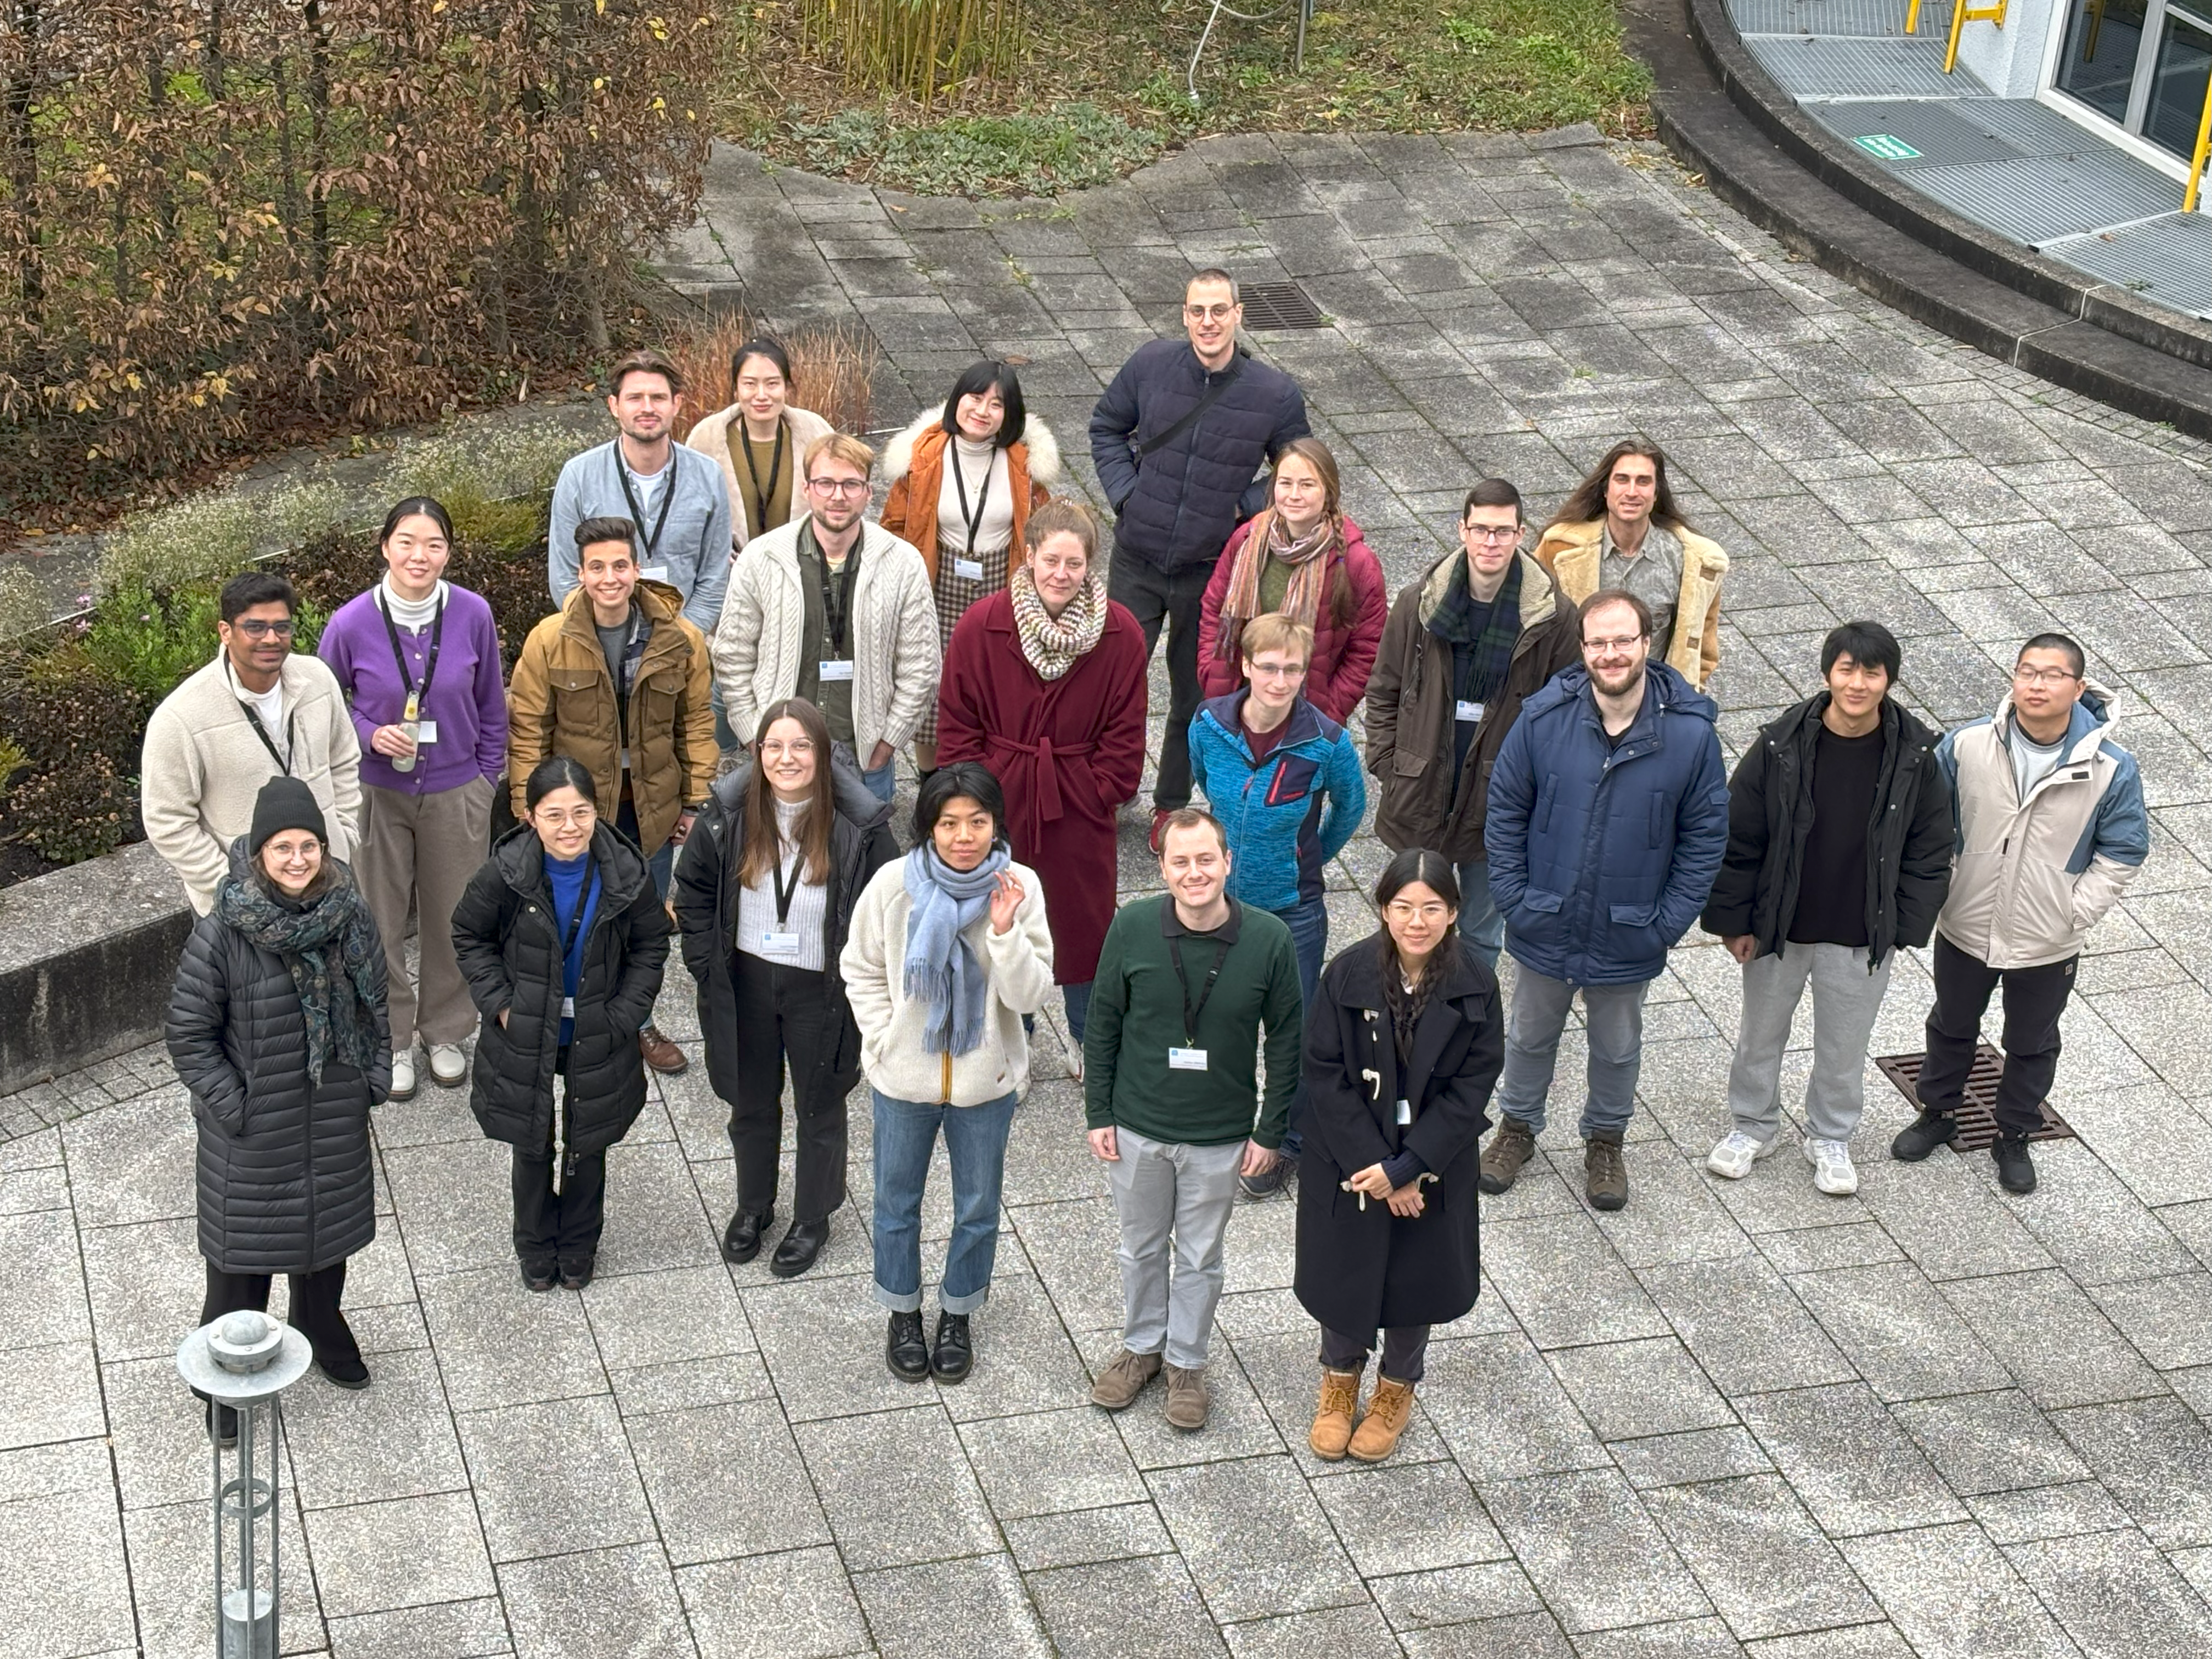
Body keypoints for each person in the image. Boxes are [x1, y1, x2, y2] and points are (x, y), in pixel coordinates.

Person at [1477, 590, 1729, 1214]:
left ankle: (1606, 1141)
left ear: (1647, 643)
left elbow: (1705, 839)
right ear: (1583, 649)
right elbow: (1506, 810)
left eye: (1623, 640)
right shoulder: (1541, 719)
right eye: (1598, 642)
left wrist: (1666, 925)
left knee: (1617, 1047)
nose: (1610, 654)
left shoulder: (1691, 736)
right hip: (1545, 918)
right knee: (1530, 1038)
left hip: (1631, 928)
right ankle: (1517, 1128)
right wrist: (1514, 898)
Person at [167, 777, 391, 1437]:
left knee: (327, 1244)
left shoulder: (350, 914)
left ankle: (319, 1325)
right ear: (258, 852)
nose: (299, 859)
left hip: (332, 1116)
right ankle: (224, 1376)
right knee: (241, 1268)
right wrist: (235, 1108)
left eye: (310, 845)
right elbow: (188, 1033)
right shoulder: (224, 931)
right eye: (283, 847)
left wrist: (372, 1079)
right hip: (254, 1131)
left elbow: (377, 1003)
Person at [1700, 622, 1953, 1196]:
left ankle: (1830, 1136)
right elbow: (1739, 839)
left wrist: (1905, 928)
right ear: (1826, 674)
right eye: (1847, 669)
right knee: (1759, 1036)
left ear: (1889, 680)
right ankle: (1752, 1126)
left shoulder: (1915, 759)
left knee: (1844, 1046)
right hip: (1778, 927)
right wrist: (1735, 921)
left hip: (1862, 933)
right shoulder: (1778, 746)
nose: (1858, 683)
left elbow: (1931, 848)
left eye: (1871, 672)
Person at [1892, 633, 2148, 1195]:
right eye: (2027, 671)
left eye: (2053, 675)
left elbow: (2124, 850)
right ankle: (1938, 1114)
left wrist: (2075, 913)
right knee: (1951, 1025)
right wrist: (1941, 887)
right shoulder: (1968, 744)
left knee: (2032, 1042)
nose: (2037, 684)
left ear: (2079, 688)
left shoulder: (2111, 767)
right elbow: (1925, 820)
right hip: (1965, 921)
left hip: (2047, 937)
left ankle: (2014, 1134)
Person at [1084, 809, 1302, 1431]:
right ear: (1162, 869)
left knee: (1202, 1256)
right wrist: (1099, 1111)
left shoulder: (1268, 940)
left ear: (1228, 862)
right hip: (1136, 1127)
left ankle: (1187, 1364)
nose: (1194, 872)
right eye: (1180, 862)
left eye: (1206, 859)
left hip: (1220, 1134)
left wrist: (1270, 1130)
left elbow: (1287, 1040)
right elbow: (1102, 1023)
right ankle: (1141, 1351)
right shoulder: (1130, 927)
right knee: (1140, 1248)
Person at [841, 765, 1054, 1384]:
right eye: (950, 823)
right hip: (903, 1080)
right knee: (895, 1202)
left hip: (984, 1083)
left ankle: (958, 1311)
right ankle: (902, 1311)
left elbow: (1029, 995)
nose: (965, 837)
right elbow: (860, 967)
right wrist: (882, 1040)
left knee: (978, 1206)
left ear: (996, 824)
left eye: (978, 823)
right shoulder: (893, 885)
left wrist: (1006, 930)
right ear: (928, 827)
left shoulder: (1021, 886)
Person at [673, 698, 897, 1280]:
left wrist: (866, 986)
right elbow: (693, 889)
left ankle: (812, 1218)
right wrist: (705, 963)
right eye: (774, 746)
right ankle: (754, 1206)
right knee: (750, 1100)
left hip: (821, 985)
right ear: (757, 752)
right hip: (744, 978)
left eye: (801, 746)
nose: (786, 757)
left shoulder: (861, 825)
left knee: (820, 1102)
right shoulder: (728, 813)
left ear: (823, 755)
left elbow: (889, 909)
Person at [1090, 269, 1311, 848]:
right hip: (1136, 557)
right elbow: (1106, 426)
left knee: (1192, 693)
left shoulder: (1274, 394)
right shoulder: (1150, 365)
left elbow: (1297, 471)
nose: (1207, 322)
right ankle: (1110, 789)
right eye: (1196, 311)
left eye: (1219, 310)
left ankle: (1169, 803)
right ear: (1184, 316)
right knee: (1113, 679)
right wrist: (1127, 496)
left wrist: (1238, 509)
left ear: (1239, 314)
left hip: (1209, 570)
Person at [1296, 852, 1500, 1464]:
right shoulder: (1348, 974)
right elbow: (1325, 1075)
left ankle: (1396, 1389)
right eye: (1404, 907)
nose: (1417, 922)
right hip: (1352, 1163)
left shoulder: (1477, 983)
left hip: (1430, 1167)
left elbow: (1472, 1089)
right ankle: (1339, 1380)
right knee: (1344, 1274)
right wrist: (1382, 1171)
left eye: (1432, 908)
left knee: (1416, 1283)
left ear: (1454, 912)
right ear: (1384, 909)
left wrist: (1408, 1169)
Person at [935, 498, 1148, 1066]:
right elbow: (957, 727)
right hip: (999, 808)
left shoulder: (1121, 634)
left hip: (1077, 807)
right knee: (1003, 924)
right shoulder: (981, 625)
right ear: (1028, 557)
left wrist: (1096, 791)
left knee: (1084, 927)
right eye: (1051, 560)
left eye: (1074, 564)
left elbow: (1127, 739)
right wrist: (976, 806)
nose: (1061, 574)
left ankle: (1087, 1036)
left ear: (1090, 567)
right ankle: (1015, 1039)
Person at [450, 756, 672, 1292]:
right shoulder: (505, 873)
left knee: (587, 1143)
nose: (569, 827)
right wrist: (501, 1004)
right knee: (531, 1142)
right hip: (527, 1029)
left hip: (600, 1028)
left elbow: (650, 944)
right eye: (554, 815)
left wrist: (626, 1013)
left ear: (597, 812)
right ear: (529, 817)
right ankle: (533, 1243)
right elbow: (469, 935)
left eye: (581, 812)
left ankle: (578, 1245)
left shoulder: (625, 870)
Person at [317, 497, 509, 1101]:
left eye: (433, 544)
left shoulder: (473, 613)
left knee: (454, 915)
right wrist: (369, 734)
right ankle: (392, 1037)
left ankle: (446, 1030)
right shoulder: (350, 623)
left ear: (449, 552)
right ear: (384, 546)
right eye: (406, 541)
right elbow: (323, 705)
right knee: (378, 916)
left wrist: (485, 780)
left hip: (457, 790)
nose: (419, 556)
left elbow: (490, 704)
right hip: (377, 792)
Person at [507, 516, 713, 1075]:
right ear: (580, 573)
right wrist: (530, 806)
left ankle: (638, 1021)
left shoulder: (679, 638)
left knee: (643, 920)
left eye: (619, 565)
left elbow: (695, 721)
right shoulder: (550, 640)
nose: (609, 577)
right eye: (596, 567)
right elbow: (529, 726)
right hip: (578, 807)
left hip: (653, 806)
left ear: (637, 569)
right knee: (573, 915)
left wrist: (693, 801)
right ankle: (569, 1017)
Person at [1365, 479, 1581, 969]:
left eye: (1503, 531)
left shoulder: (1552, 617)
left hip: (1499, 801)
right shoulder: (1420, 602)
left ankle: (1469, 1020)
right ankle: (1408, 1013)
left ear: (1521, 533)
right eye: (1481, 529)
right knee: (1410, 923)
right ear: (1462, 530)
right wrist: (1387, 764)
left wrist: (1538, 790)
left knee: (1483, 932)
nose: (1491, 542)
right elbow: (1384, 688)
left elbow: (1568, 717)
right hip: (1421, 790)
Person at [1188, 614, 1365, 1195]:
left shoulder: (1327, 743)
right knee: (1219, 1017)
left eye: (1292, 669)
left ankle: (1288, 1140)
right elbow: (1203, 786)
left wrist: (1308, 856)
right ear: (1245, 665)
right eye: (1268, 666)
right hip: (1219, 906)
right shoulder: (1209, 725)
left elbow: (1351, 808)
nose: (1280, 679)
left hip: (1293, 911)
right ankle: (1224, 1121)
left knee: (1296, 1031)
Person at [714, 433, 940, 805]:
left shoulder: (903, 563)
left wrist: (887, 744)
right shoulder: (761, 558)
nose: (838, 496)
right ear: (807, 489)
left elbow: (922, 664)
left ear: (869, 492)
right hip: (781, 762)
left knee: (865, 863)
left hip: (866, 762)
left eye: (851, 484)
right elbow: (733, 654)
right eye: (826, 483)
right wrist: (755, 736)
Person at [143, 571, 362, 916]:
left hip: (327, 887)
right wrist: (232, 885)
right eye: (256, 627)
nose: (272, 639)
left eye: (282, 627)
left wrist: (343, 835)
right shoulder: (181, 717)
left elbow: (344, 759)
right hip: (242, 913)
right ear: (225, 631)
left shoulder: (318, 680)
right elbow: (166, 819)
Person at [881, 359, 1062, 775]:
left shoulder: (1023, 463)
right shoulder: (923, 457)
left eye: (996, 404)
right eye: (975, 398)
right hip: (938, 580)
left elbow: (1043, 527)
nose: (983, 411)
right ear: (957, 400)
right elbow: (892, 525)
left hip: (1002, 583)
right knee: (932, 689)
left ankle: (985, 784)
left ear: (1009, 414)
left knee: (996, 687)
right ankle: (932, 784)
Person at [1195, 437, 1386, 724]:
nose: (1294, 495)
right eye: (1285, 483)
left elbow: (1367, 649)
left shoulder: (1357, 563)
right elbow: (1213, 608)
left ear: (1329, 492)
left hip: (1307, 716)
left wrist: (1330, 712)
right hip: (1235, 706)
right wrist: (1212, 674)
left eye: (1307, 485)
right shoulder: (1247, 538)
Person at [549, 348, 733, 635]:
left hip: (684, 647)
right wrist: (602, 636)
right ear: (614, 405)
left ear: (677, 404)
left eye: (658, 398)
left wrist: (681, 637)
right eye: (635, 398)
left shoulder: (708, 477)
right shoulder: (579, 477)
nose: (647, 408)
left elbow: (715, 576)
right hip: (602, 645)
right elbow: (565, 577)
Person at [1534, 442, 1726, 691]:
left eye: (1643, 481)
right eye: (1622, 480)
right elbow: (1533, 624)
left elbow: (1704, 646)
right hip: (1577, 699)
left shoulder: (1694, 561)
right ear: (1606, 489)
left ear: (1657, 494)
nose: (1632, 491)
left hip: (1656, 705)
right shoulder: (1560, 549)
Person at [682, 337, 836, 552]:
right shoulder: (705, 439)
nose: (761, 395)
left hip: (804, 568)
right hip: (731, 572)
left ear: (787, 387)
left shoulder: (817, 433)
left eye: (772, 383)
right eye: (750, 384)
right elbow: (689, 512)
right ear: (736, 390)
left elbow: (837, 503)